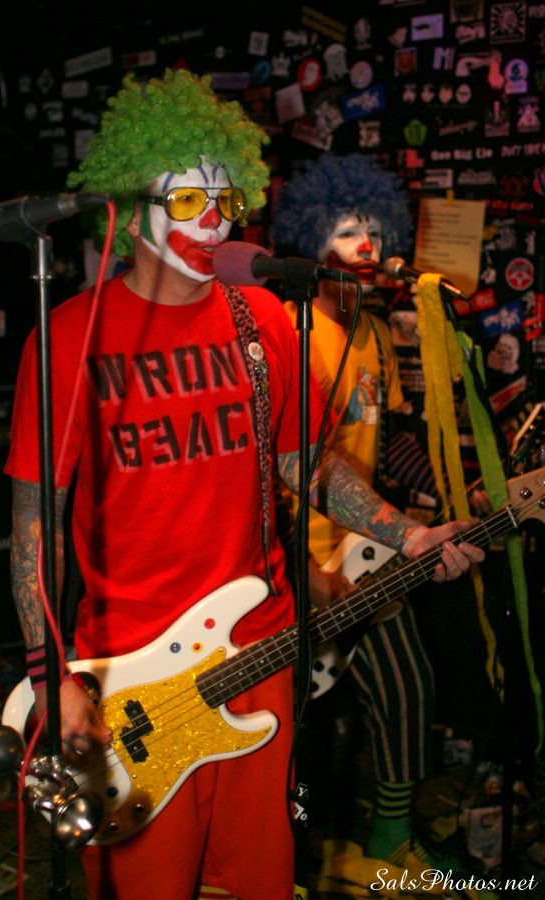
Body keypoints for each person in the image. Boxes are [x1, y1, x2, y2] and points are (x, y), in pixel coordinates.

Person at [4, 72, 484, 900]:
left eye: (225, 200)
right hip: (128, 679)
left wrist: (407, 533)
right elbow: (32, 528)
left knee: (260, 880)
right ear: (131, 209)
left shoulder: (262, 321)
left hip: (261, 649)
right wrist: (53, 679)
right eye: (189, 200)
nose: (213, 222)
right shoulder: (69, 339)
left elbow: (302, 465)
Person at [271, 153, 446, 874]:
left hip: (366, 553)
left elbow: (389, 439)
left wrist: (456, 494)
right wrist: (301, 568)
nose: (367, 244)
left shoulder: (374, 333)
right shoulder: (287, 332)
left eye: (373, 227)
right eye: (346, 230)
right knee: (288, 731)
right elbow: (267, 467)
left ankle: (391, 839)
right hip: (291, 564)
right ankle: (283, 862)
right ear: (311, 241)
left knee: (408, 686)